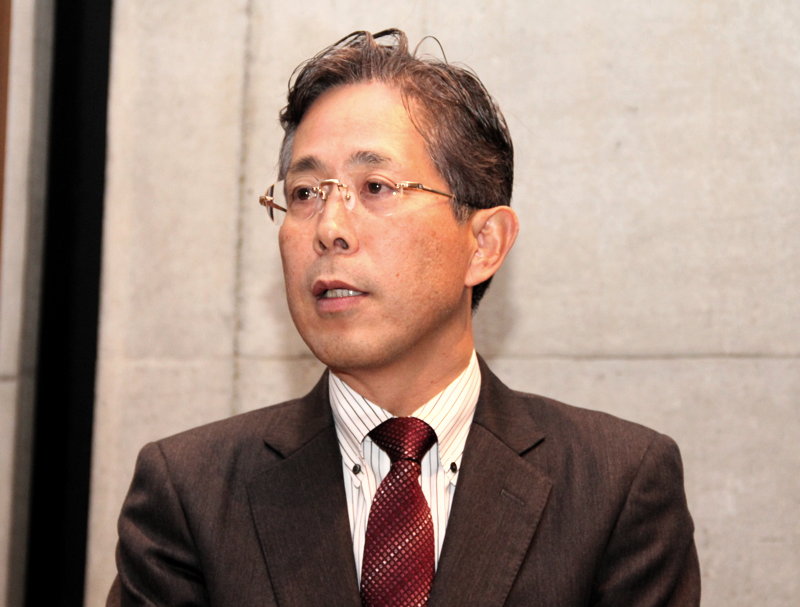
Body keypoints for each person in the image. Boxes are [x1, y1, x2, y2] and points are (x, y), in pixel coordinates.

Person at [108, 28, 700, 606]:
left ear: (483, 244)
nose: (329, 229)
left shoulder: (615, 485)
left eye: (376, 186)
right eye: (305, 193)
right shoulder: (190, 492)